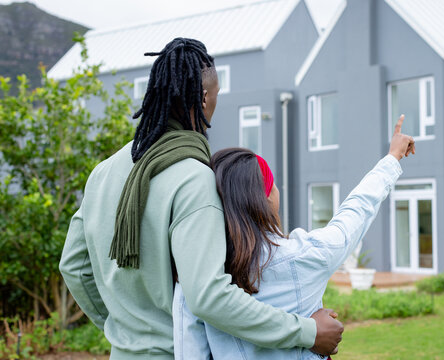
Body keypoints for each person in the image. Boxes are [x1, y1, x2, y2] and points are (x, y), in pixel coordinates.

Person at [59, 37, 343, 360]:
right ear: (205, 97)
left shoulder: (103, 173)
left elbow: (73, 266)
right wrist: (307, 331)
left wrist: (122, 330)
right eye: (217, 96)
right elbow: (209, 296)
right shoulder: (194, 179)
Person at [172, 115, 415, 359]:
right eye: (274, 184)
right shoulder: (306, 255)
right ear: (265, 198)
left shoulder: (194, 277)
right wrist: (393, 157)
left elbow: (189, 351)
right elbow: (356, 211)